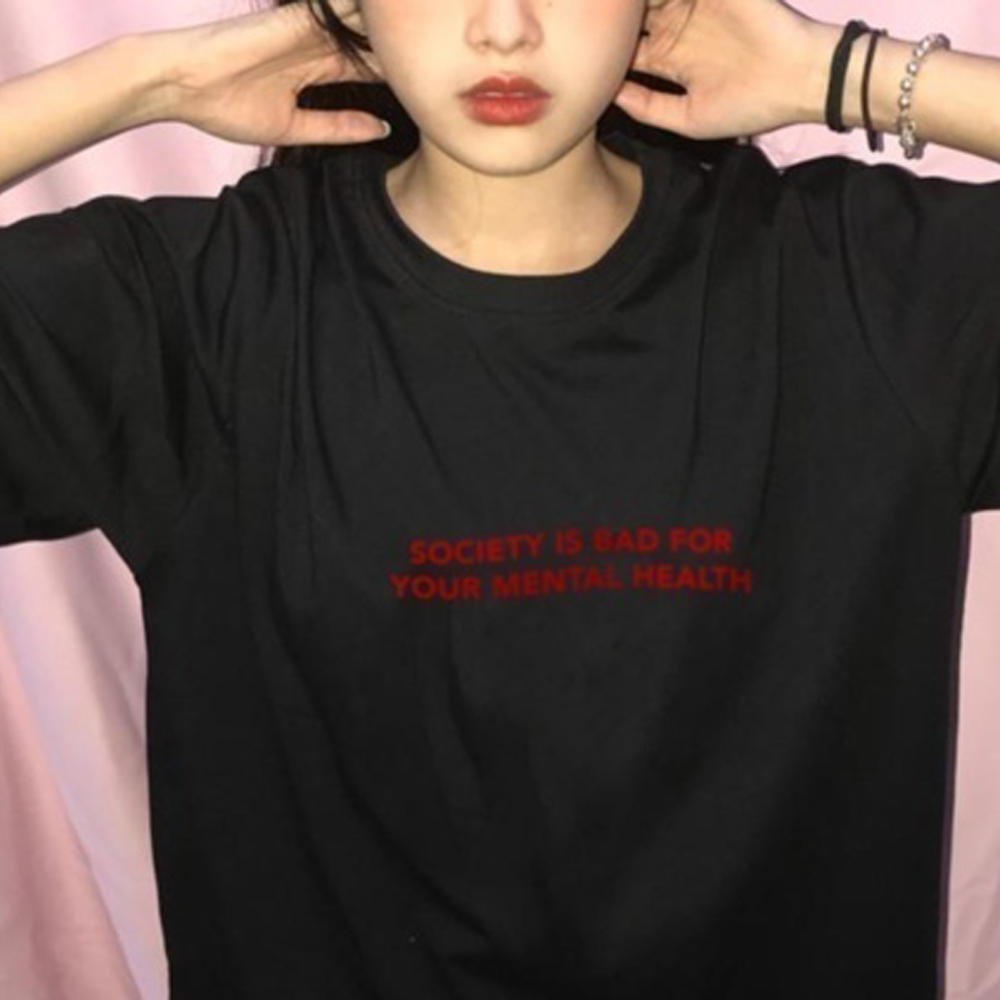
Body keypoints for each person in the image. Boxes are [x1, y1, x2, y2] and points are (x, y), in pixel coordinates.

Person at [2, 0, 1000, 996]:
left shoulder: (867, 294)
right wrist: (148, 79)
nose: (505, 29)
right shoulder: (192, 316)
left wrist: (845, 73)